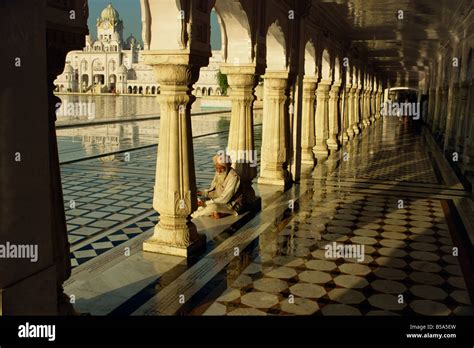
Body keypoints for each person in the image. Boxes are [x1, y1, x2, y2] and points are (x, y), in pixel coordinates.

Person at [191, 153, 243, 219]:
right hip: (218, 200)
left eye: (221, 168)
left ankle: (194, 216)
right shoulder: (218, 173)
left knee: (212, 207)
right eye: (216, 168)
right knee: (198, 203)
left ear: (227, 167)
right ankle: (217, 213)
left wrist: (206, 203)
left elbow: (225, 199)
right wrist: (203, 193)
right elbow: (213, 189)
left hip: (231, 205)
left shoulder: (233, 177)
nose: (218, 171)